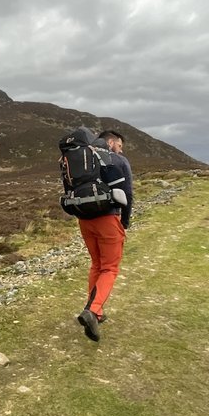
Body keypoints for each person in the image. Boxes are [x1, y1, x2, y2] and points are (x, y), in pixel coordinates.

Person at [74, 129, 133, 342]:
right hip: (108, 219)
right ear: (111, 141)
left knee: (97, 265)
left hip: (84, 219)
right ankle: (93, 309)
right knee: (110, 268)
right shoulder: (117, 160)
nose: (120, 149)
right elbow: (127, 194)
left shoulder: (82, 159)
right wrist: (124, 222)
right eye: (119, 145)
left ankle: (94, 312)